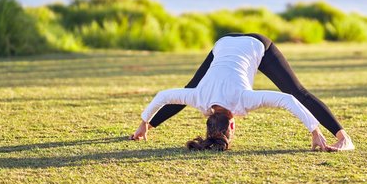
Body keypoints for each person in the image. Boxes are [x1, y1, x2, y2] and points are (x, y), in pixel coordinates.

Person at [131, 33, 354, 152]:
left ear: (233, 125)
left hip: (257, 44)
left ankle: (345, 139)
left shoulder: (243, 101)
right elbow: (163, 96)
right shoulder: (198, 98)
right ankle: (147, 129)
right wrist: (144, 123)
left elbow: (289, 99)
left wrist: (315, 131)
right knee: (188, 88)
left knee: (297, 91)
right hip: (223, 42)